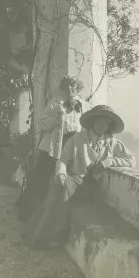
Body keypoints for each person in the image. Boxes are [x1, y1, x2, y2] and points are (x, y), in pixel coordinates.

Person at [23, 105, 136, 249]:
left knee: (56, 196)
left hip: (89, 186)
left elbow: (131, 160)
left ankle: (35, 232)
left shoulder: (113, 143)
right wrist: (61, 173)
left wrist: (108, 162)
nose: (103, 125)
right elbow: (62, 160)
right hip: (71, 177)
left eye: (107, 123)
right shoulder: (78, 138)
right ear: (93, 121)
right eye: (101, 121)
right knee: (60, 189)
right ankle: (47, 239)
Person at [15, 75, 91, 223]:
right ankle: (27, 212)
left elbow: (86, 128)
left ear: (78, 88)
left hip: (72, 148)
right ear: (62, 88)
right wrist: (54, 120)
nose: (70, 88)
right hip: (52, 146)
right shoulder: (55, 103)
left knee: (61, 183)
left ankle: (49, 219)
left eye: (73, 86)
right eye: (67, 86)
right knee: (42, 180)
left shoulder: (85, 106)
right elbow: (42, 123)